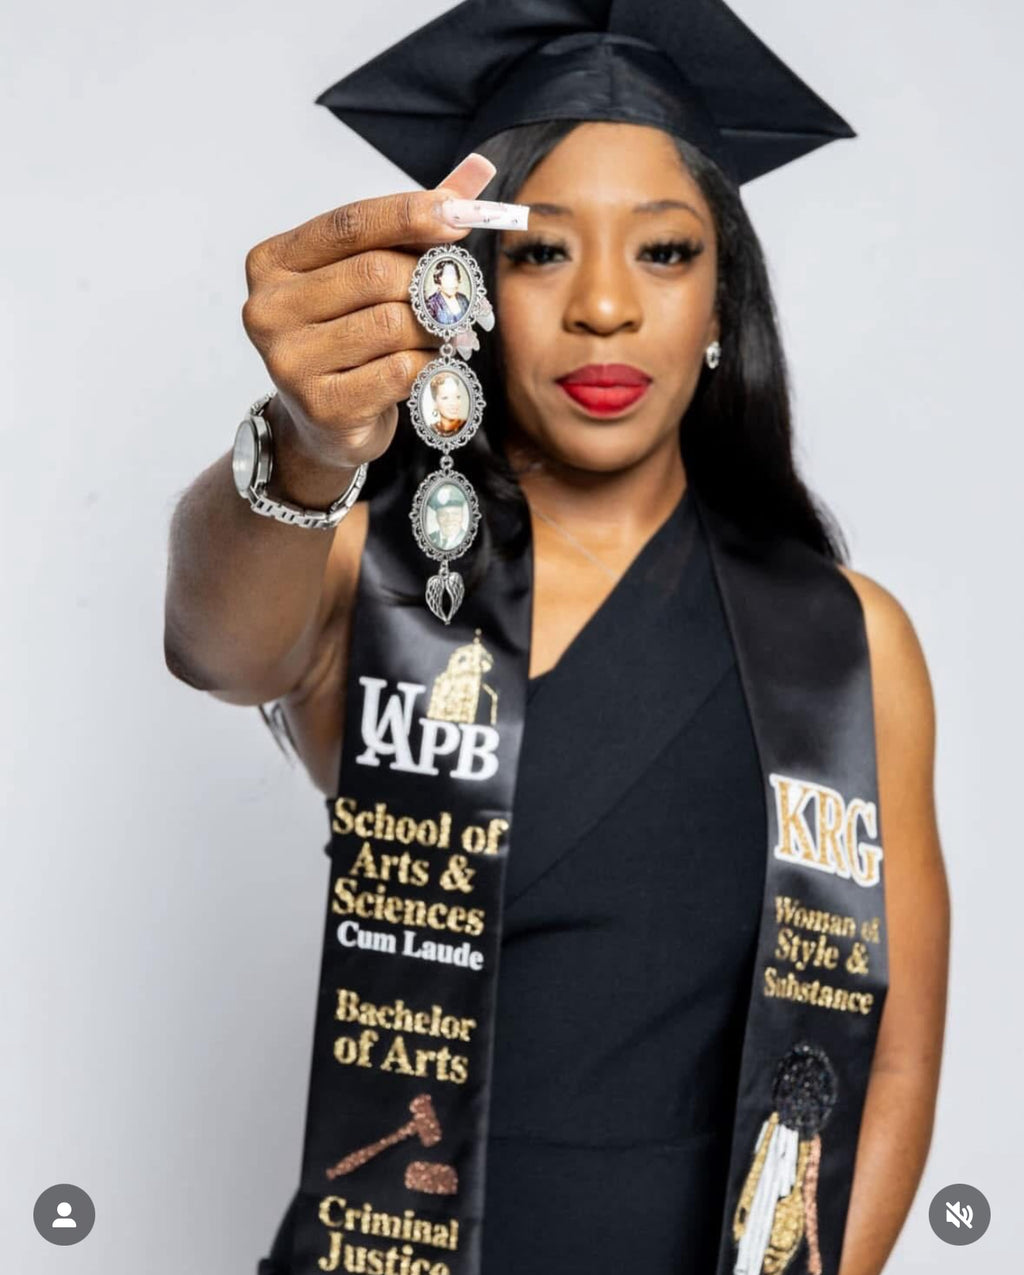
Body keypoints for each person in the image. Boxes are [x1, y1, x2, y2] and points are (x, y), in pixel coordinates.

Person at [163, 5, 950, 1274]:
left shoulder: (848, 642)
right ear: (471, 294)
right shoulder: (380, 574)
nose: (603, 307)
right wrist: (305, 451)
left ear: (720, 300)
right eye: (538, 254)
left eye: (664, 251)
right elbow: (215, 648)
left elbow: (891, 1052)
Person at [426, 258, 471, 325]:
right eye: (448, 280)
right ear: (438, 281)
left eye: (454, 279)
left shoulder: (463, 299)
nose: (452, 284)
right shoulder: (431, 304)